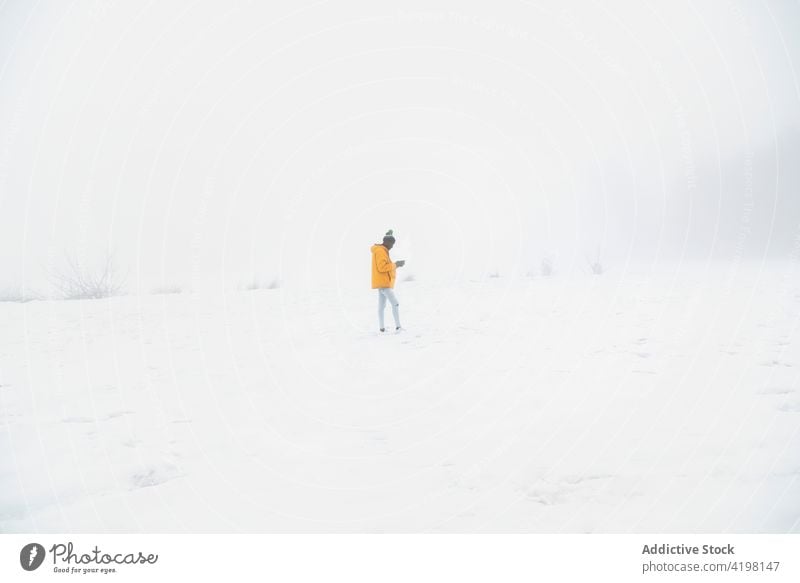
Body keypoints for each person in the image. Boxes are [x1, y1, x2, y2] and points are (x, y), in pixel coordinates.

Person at [371, 229, 405, 332]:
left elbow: (386, 240)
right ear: (387, 243)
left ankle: (382, 328)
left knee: (381, 306)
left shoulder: (380, 249)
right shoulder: (381, 251)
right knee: (395, 303)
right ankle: (398, 327)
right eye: (392, 244)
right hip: (384, 284)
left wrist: (389, 235)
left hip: (382, 283)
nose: (392, 247)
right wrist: (396, 264)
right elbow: (382, 267)